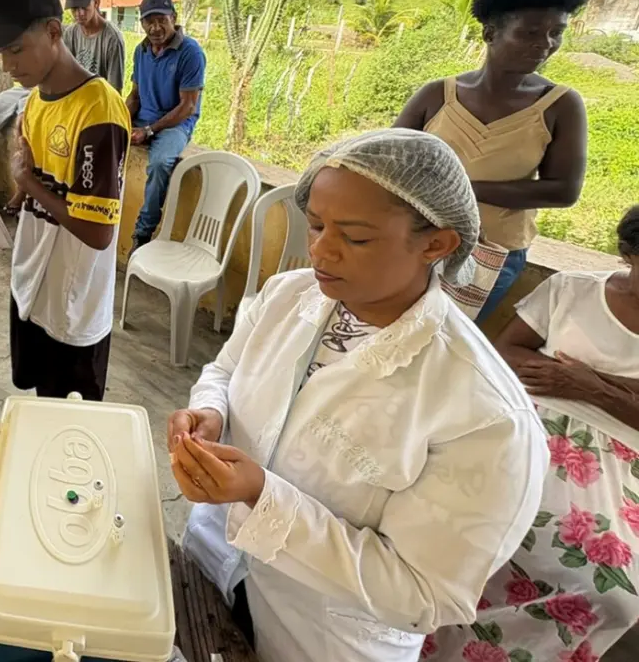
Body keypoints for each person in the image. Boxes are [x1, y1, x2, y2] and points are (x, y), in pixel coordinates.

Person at [172, 129, 547, 662]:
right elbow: (227, 369)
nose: (320, 248)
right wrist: (208, 410)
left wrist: (262, 496)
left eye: (356, 236)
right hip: (210, 568)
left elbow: (424, 592)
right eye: (317, 224)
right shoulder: (289, 296)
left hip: (321, 639)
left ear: (437, 244)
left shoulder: (483, 413)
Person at [426, 206, 639, 662]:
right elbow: (502, 352)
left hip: (625, 460)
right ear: (628, 254)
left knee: (609, 589)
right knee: (461, 519)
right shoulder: (572, 290)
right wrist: (608, 387)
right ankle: (419, 642)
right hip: (532, 420)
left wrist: (592, 386)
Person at [0, 0, 130, 402]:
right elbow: (31, 182)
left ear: (55, 32)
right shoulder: (35, 100)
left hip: (73, 304)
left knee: (71, 419)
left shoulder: (99, 111)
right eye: (1, 52)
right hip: (34, 283)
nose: (7, 65)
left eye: (16, 49)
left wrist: (28, 184)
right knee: (42, 399)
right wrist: (9, 207)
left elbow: (97, 231)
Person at [395, 0, 589, 322]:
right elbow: (390, 162)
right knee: (385, 329)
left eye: (556, 32)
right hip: (416, 239)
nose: (545, 44)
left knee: (442, 341)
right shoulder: (437, 95)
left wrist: (461, 189)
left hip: (492, 251)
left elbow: (563, 191)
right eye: (529, 32)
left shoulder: (560, 105)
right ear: (490, 33)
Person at [128, 0, 206, 250]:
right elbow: (135, 96)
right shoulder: (141, 51)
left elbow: (188, 106)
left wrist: (149, 131)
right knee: (103, 141)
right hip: (145, 118)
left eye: (162, 19)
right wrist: (119, 120)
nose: (156, 27)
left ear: (174, 18)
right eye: (149, 21)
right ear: (142, 24)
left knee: (160, 164)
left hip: (175, 122)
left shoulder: (190, 52)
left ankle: (143, 233)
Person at [62, 0, 127, 93]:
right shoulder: (70, 34)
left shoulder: (112, 39)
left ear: (96, 2)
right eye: (74, 9)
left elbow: (115, 90)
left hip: (101, 102)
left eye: (83, 7)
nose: (79, 13)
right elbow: (65, 76)